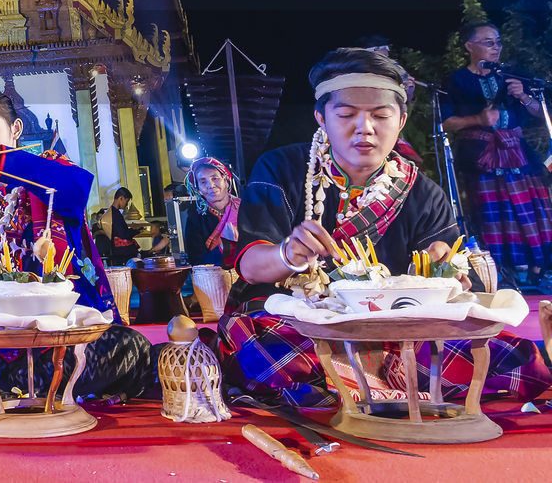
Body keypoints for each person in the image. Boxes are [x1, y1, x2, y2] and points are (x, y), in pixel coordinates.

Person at [219, 48, 551, 407]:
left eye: (380, 115)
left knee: (508, 353)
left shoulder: (423, 192)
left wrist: (446, 270)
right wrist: (289, 253)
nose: (365, 127)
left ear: (401, 120)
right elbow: (250, 268)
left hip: (395, 331)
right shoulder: (280, 167)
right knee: (265, 348)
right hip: (297, 323)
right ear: (321, 117)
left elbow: (452, 284)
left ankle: (355, 386)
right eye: (346, 114)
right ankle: (389, 387)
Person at [0, 88, 152, 404]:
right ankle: (41, 385)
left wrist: (4, 160)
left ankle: (6, 387)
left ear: (15, 130)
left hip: (58, 330)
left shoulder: (47, 174)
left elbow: (76, 187)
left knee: (132, 348)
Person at [442, 22, 552, 291]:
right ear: (470, 46)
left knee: (534, 212)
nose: (496, 48)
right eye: (488, 42)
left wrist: (524, 96)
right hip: (481, 158)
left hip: (518, 154)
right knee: (493, 215)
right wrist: (477, 119)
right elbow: (444, 123)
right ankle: (502, 276)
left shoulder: (513, 76)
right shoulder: (455, 80)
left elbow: (540, 112)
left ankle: (537, 272)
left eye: (498, 42)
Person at [182, 157, 239, 268]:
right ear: (198, 190)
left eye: (215, 178)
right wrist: (225, 245)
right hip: (217, 279)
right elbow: (197, 263)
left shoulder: (244, 209)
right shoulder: (195, 220)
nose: (211, 185)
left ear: (226, 181)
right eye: (203, 182)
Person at [106, 187, 141, 264]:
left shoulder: (113, 212)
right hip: (121, 252)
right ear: (121, 198)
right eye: (127, 201)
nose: (126, 205)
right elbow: (122, 234)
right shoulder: (115, 214)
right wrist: (136, 230)